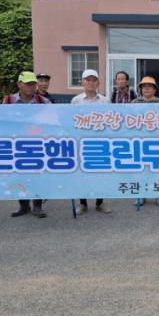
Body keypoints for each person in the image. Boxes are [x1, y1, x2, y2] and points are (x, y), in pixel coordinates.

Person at [4, 71, 51, 218]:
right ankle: (23, 206)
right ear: (19, 84)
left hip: (38, 145)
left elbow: (52, 120)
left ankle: (37, 206)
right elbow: (1, 120)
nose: (31, 87)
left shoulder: (43, 101)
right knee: (19, 175)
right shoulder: (8, 100)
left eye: (33, 84)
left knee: (38, 176)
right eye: (28, 84)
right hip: (16, 146)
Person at [71, 69, 111, 215]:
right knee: (82, 174)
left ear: (98, 83)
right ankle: (83, 204)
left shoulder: (105, 101)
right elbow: (71, 121)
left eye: (94, 80)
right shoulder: (76, 101)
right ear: (82, 82)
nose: (91, 83)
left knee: (100, 174)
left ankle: (100, 203)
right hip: (81, 143)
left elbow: (110, 121)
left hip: (100, 142)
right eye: (87, 80)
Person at [132, 76, 159, 207]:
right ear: (141, 89)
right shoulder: (135, 102)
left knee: (158, 169)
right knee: (141, 170)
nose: (146, 89)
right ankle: (141, 195)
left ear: (154, 89)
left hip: (156, 140)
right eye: (144, 86)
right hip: (139, 141)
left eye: (149, 86)